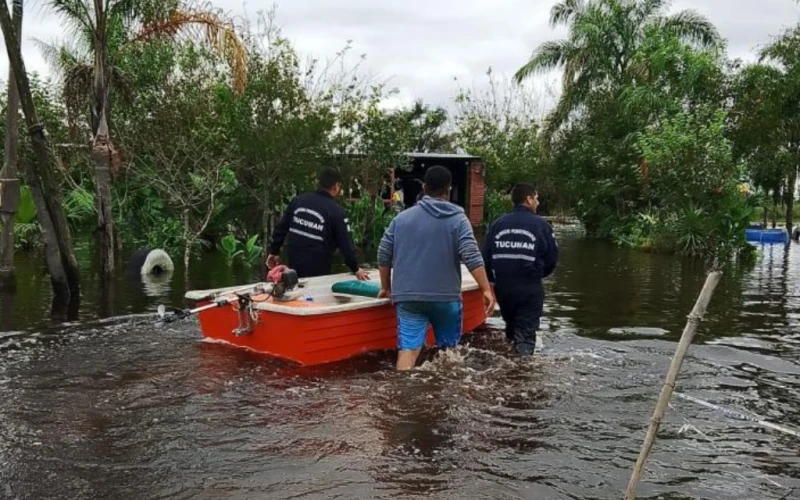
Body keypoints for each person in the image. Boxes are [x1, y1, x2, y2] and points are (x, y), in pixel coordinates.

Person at [377, 165, 495, 371]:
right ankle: (445, 388)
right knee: (448, 353)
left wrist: (386, 288)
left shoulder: (401, 219)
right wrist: (485, 289)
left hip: (409, 297)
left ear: (424, 188)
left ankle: (402, 387)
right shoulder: (459, 220)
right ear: (449, 190)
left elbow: (383, 254)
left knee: (408, 350)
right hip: (445, 298)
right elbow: (471, 255)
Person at [482, 182, 558, 356]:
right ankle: (521, 370)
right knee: (525, 336)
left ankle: (507, 364)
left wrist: (493, 280)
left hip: (503, 290)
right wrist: (537, 274)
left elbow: (485, 258)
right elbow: (551, 259)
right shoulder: (541, 225)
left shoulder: (497, 224)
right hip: (529, 288)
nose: (538, 203)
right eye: (536, 198)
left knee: (511, 329)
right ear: (529, 199)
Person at [266, 167, 370, 280]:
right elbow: (346, 244)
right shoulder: (336, 212)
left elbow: (281, 228)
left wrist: (274, 251)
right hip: (318, 269)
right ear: (336, 186)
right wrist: (355, 268)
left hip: (294, 263)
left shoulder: (298, 201)